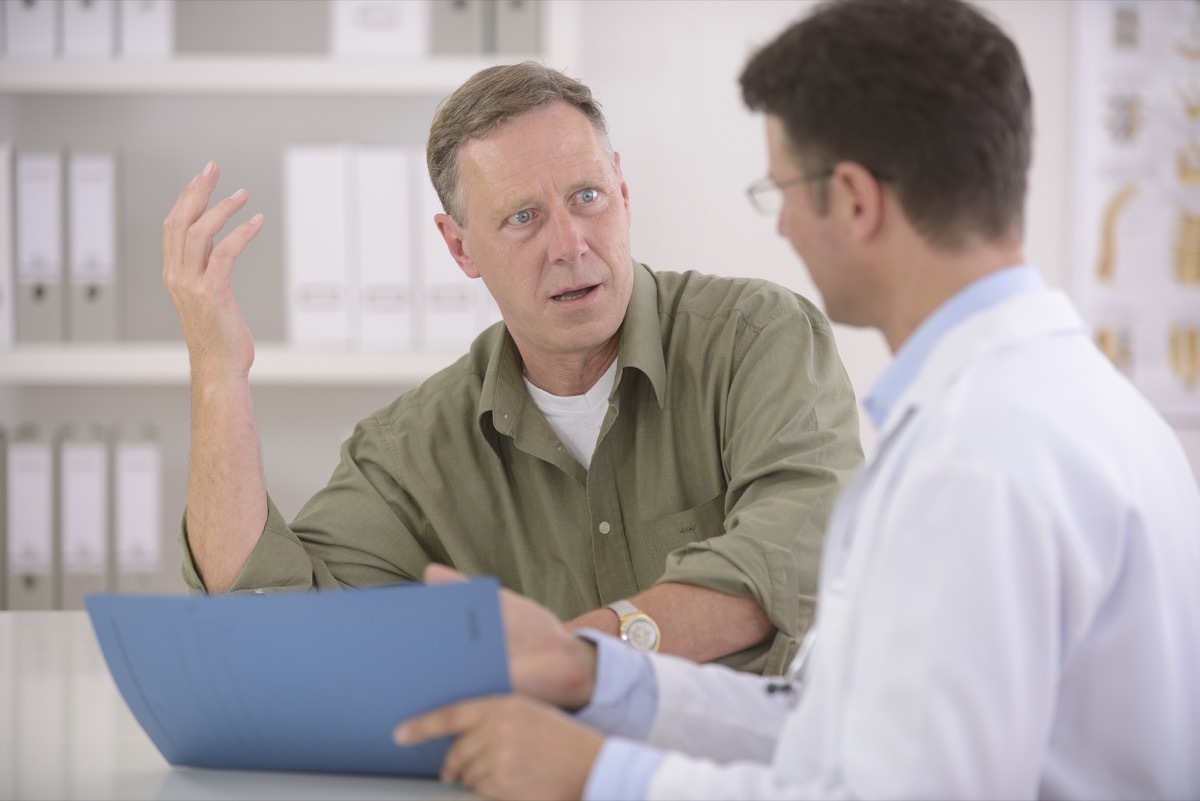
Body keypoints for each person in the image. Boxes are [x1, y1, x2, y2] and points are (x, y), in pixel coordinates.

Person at [392, 1, 1200, 798]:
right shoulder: (1093, 409)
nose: (781, 227)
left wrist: (603, 775)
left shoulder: (972, 460)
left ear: (853, 200)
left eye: (781, 190)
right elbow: (844, 732)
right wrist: (595, 672)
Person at [160, 62, 864, 674]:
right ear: (460, 247)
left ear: (622, 192)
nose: (570, 244)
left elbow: (801, 552)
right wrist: (218, 371)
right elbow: (265, 620)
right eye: (523, 217)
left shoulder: (757, 339)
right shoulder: (411, 452)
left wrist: (579, 653)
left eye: (586, 196)